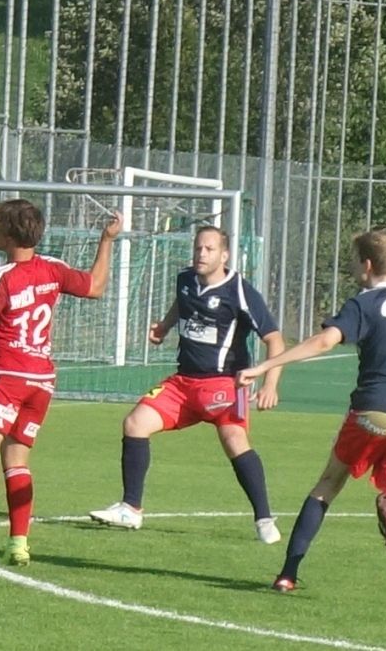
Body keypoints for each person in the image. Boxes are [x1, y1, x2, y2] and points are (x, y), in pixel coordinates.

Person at [237, 228, 386, 592]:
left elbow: (324, 341)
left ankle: (288, 574)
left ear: (367, 264)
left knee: (328, 484)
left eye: (355, 261)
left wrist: (266, 366)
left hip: (374, 411)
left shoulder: (365, 303)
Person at [0, 199, 122, 565]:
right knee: (16, 459)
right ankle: (18, 542)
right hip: (41, 381)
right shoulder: (53, 268)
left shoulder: (4, 275)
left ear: (9, 234)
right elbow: (95, 286)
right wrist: (106, 240)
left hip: (8, 375)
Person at [89, 225, 286, 543]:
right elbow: (182, 303)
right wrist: (164, 327)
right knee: (135, 423)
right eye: (198, 248)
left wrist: (270, 384)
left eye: (209, 249)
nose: (201, 254)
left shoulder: (239, 290)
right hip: (183, 383)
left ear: (224, 255)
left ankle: (264, 519)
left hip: (225, 383)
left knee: (234, 439)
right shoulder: (185, 279)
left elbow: (275, 340)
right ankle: (131, 508)